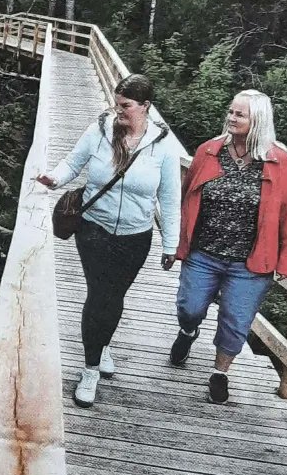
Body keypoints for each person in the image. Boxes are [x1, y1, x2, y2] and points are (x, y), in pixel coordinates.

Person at [37, 74, 180, 407]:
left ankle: (102, 345)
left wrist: (171, 245)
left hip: (135, 237)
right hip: (94, 230)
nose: (119, 111)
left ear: (145, 106)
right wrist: (54, 178)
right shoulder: (100, 129)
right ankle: (90, 370)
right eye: (117, 104)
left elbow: (170, 199)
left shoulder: (163, 146)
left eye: (126, 106)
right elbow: (74, 162)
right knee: (99, 296)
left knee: (113, 299)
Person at [168, 89, 287, 404]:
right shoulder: (209, 151)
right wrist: (176, 243)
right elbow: (185, 198)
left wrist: (285, 263)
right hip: (204, 253)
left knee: (236, 319)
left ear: (258, 121)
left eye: (239, 114)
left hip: (251, 262)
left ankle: (220, 373)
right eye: (231, 111)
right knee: (190, 308)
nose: (231, 118)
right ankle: (188, 331)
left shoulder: (279, 162)